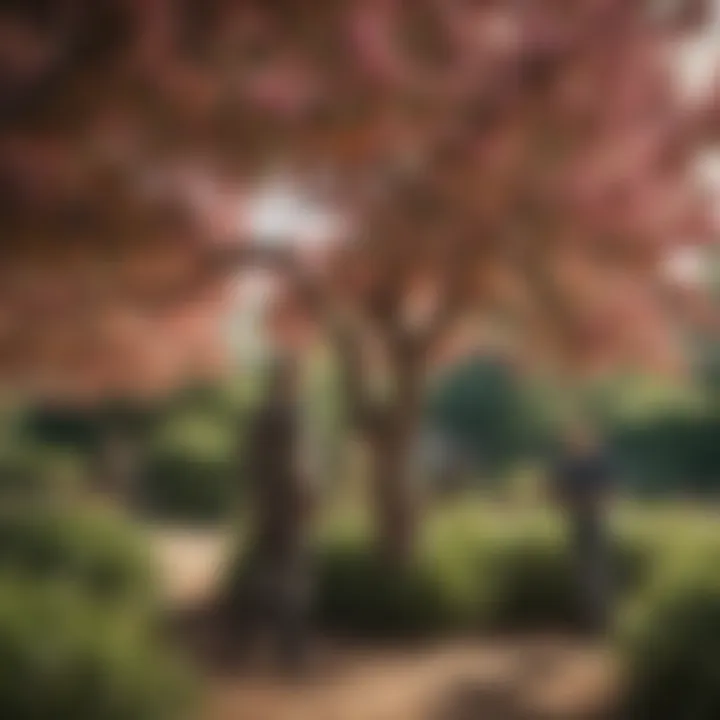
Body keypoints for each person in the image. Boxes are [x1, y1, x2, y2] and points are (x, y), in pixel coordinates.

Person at [229, 354, 315, 673]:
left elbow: (250, 464)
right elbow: (297, 465)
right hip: (286, 508)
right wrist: (305, 496)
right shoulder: (290, 416)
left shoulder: (261, 417)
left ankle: (248, 640)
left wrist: (255, 499)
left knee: (267, 573)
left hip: (268, 507)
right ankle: (290, 649)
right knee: (292, 577)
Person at [551, 421, 616, 634]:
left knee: (595, 571)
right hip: (578, 521)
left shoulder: (597, 463)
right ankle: (587, 620)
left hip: (594, 521)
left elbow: (608, 493)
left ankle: (598, 620)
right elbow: (558, 492)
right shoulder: (569, 464)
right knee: (582, 571)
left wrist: (593, 502)